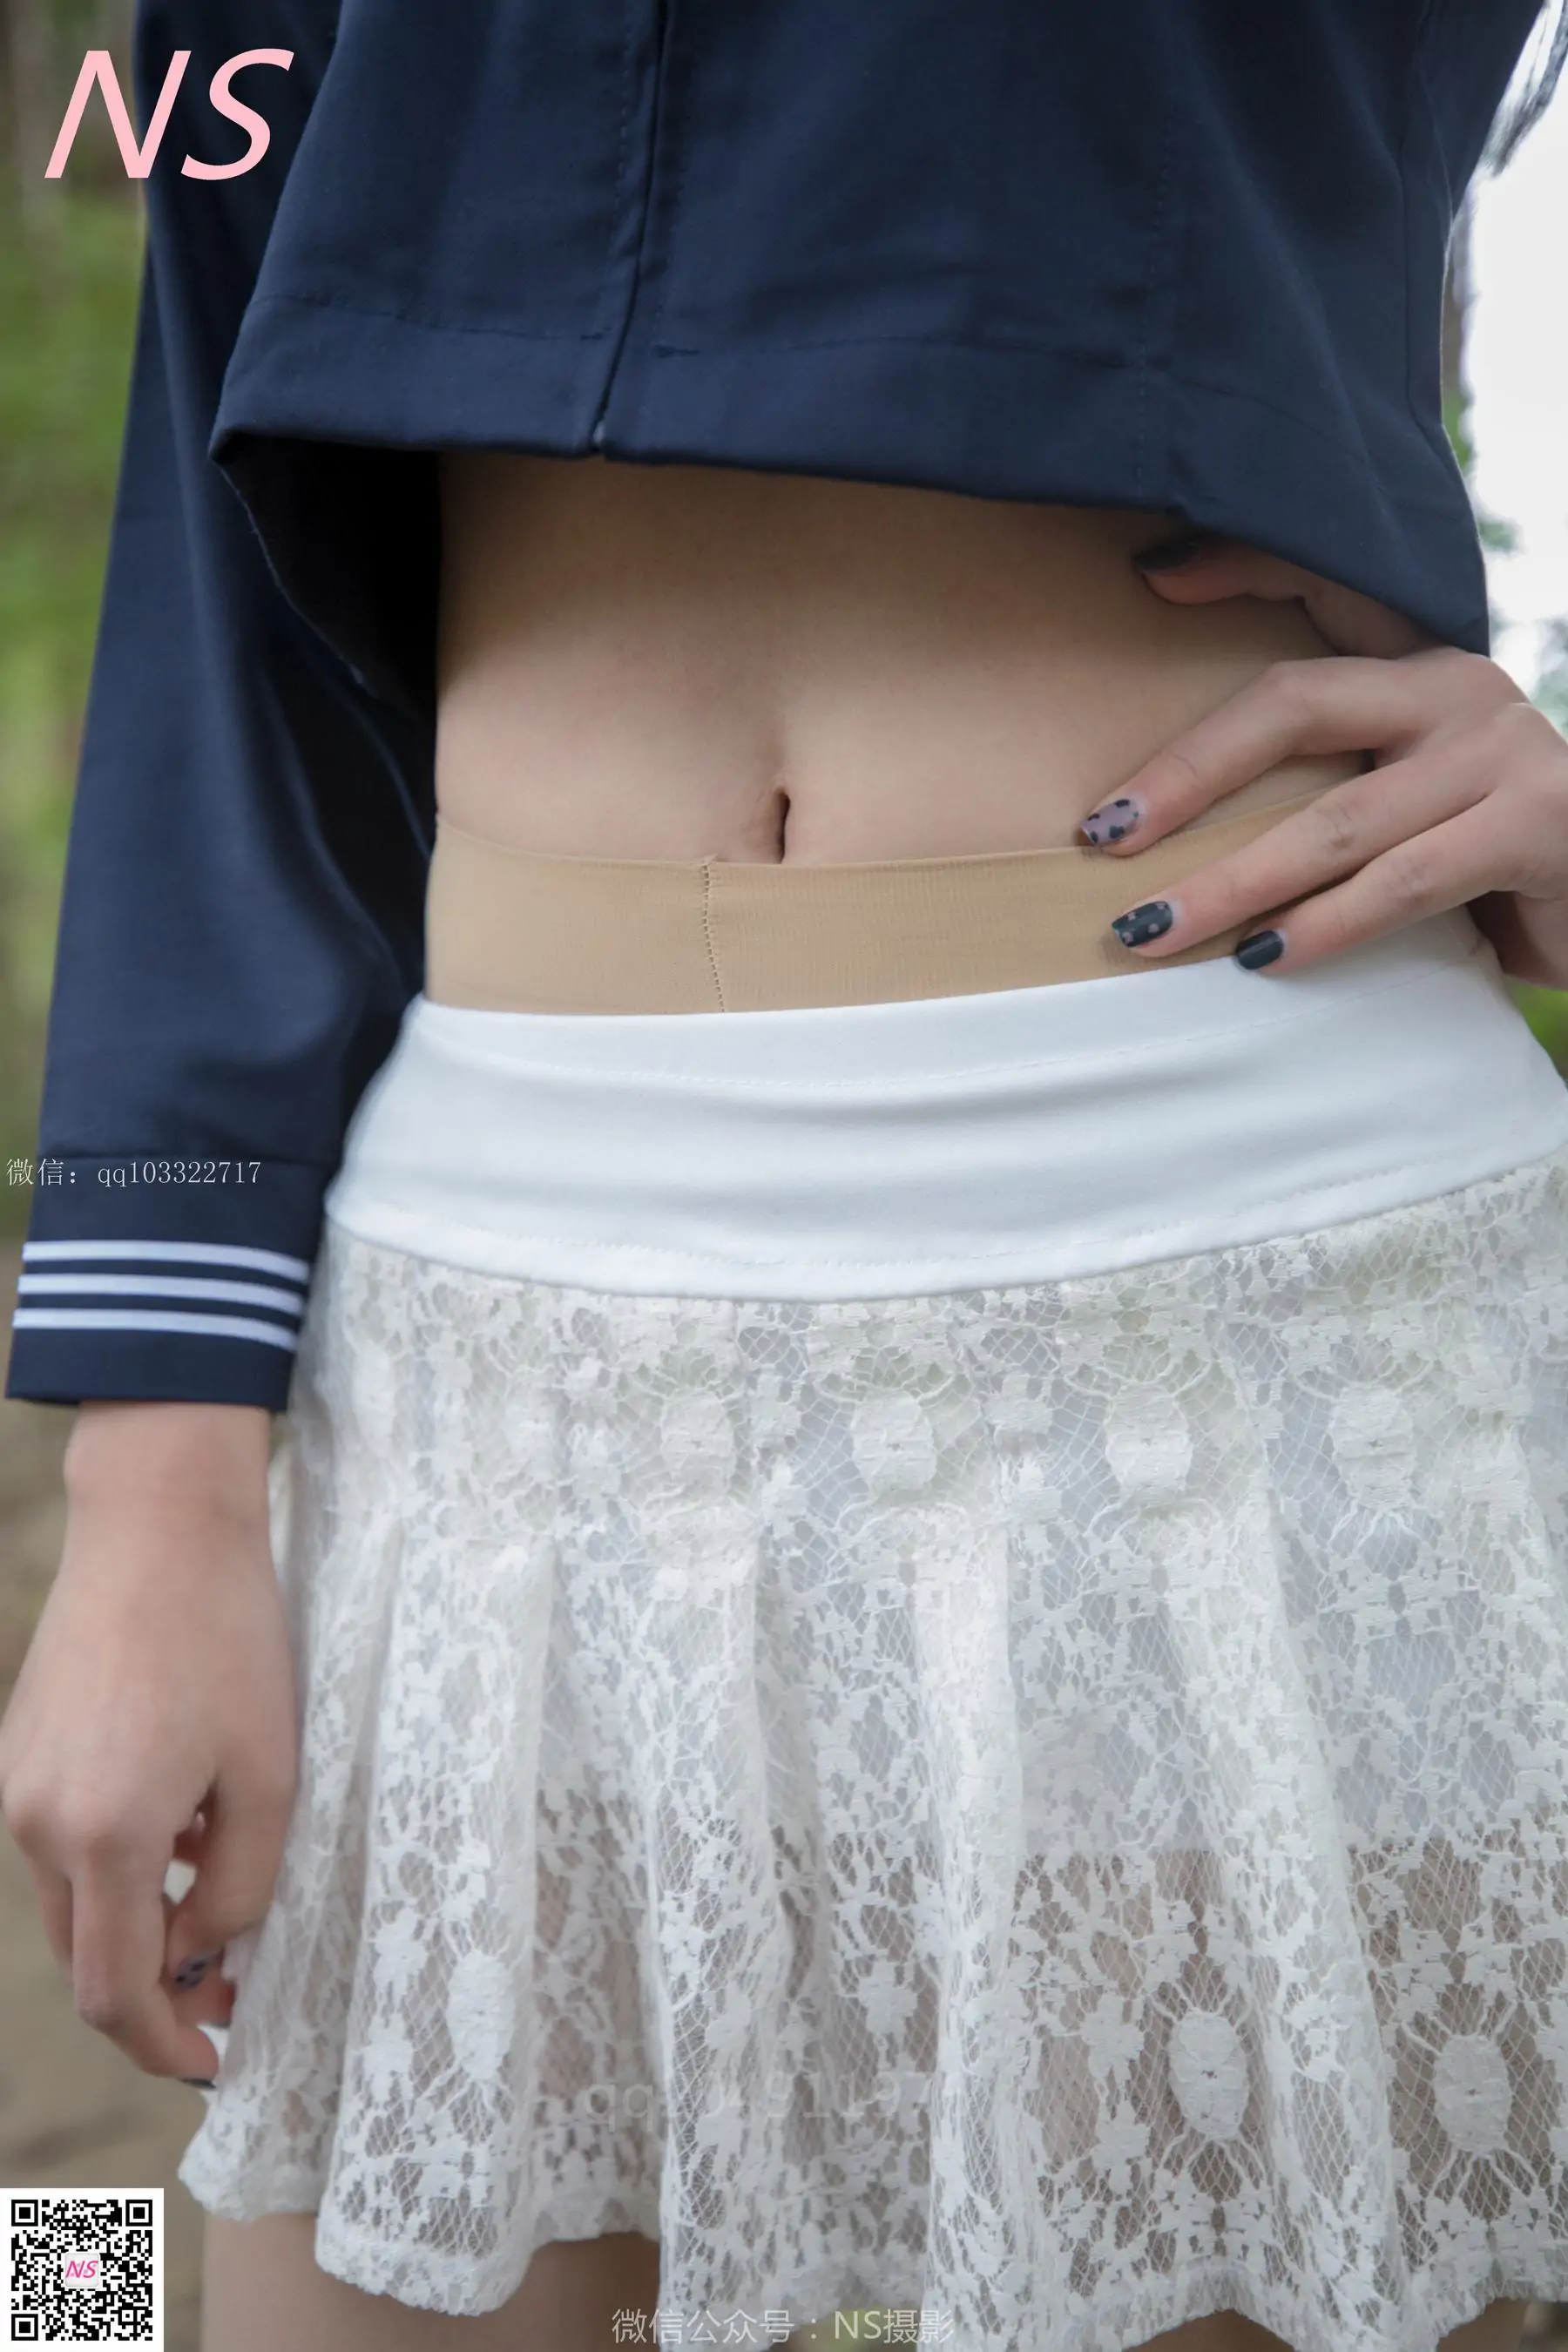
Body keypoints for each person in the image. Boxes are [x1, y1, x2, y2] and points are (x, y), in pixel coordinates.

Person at [3, 4, 1568, 2349]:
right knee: (166, 2287)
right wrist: (151, 1485)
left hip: (1231, 1325)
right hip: (479, 1358)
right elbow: (208, 476)